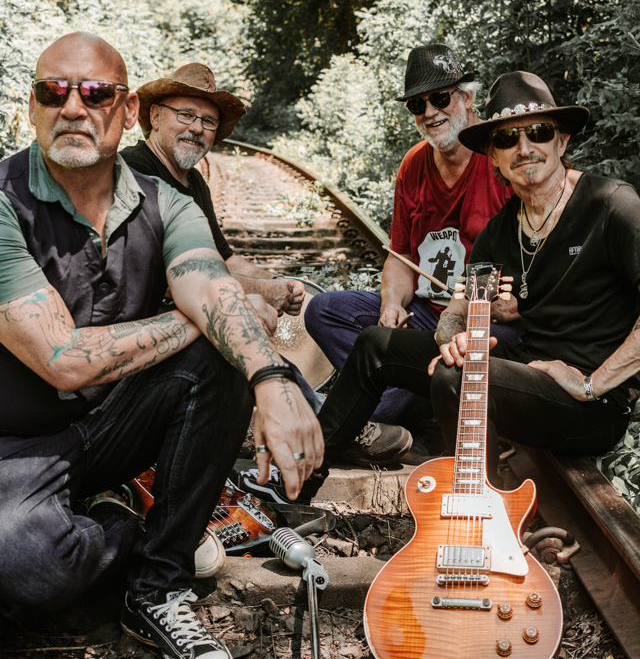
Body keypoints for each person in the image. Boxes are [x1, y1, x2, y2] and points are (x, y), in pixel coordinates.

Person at [0, 33, 322, 659]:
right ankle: (119, 523)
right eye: (53, 91)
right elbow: (61, 360)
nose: (73, 108)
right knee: (28, 566)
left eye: (95, 93)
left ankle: (158, 584)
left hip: (114, 427)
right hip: (16, 447)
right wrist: (202, 319)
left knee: (230, 350)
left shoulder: (169, 201)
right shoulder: (3, 201)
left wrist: (273, 380)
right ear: (31, 107)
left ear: (123, 112)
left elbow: (210, 284)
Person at [314, 71, 640, 483]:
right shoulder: (502, 231)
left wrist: (593, 383)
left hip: (592, 405)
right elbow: (458, 311)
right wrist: (454, 338)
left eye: (538, 132)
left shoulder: (611, 205)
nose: (524, 149)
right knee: (377, 345)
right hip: (528, 375)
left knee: (459, 377)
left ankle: (479, 513)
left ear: (562, 140)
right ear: (493, 155)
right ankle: (305, 467)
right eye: (506, 139)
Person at [304, 45, 515, 427]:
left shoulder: (499, 160)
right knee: (323, 310)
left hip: (477, 319)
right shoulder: (413, 163)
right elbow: (400, 255)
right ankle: (413, 395)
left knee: (379, 405)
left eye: (439, 98)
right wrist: (391, 303)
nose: (430, 112)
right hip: (422, 315)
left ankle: (379, 403)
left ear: (466, 97)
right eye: (417, 105)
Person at [120, 63, 305, 317]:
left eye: (208, 121)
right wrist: (263, 290)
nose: (197, 128)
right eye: (185, 114)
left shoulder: (195, 182)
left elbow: (224, 258)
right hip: (141, 323)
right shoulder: (134, 171)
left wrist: (277, 281)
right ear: (155, 117)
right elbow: (164, 278)